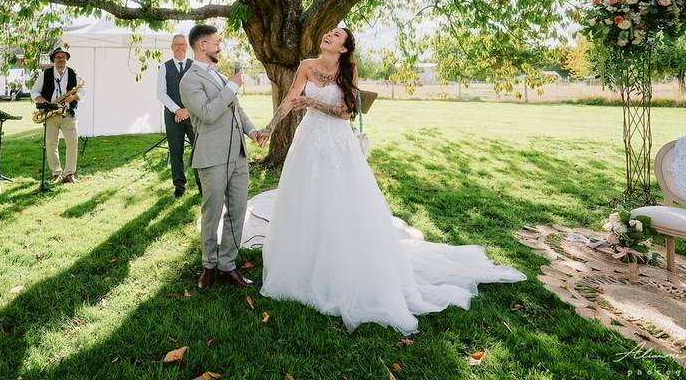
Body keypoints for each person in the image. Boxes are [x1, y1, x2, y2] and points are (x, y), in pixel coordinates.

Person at [258, 27, 525, 334]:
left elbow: (346, 113)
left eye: (335, 36)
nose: (328, 36)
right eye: (328, 33)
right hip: (308, 143)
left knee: (339, 202)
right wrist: (270, 127)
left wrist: (312, 103)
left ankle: (340, 264)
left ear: (344, 49)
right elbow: (291, 100)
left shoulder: (350, 70)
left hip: (338, 144)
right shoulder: (306, 65)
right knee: (306, 201)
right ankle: (303, 265)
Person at [179, 24, 267, 291]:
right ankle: (209, 265)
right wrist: (232, 85)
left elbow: (236, 109)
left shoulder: (219, 76)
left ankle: (228, 265)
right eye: (217, 42)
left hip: (238, 154)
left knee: (238, 211)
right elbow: (207, 112)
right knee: (212, 212)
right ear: (202, 45)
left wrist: (252, 132)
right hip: (212, 156)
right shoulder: (189, 80)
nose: (220, 46)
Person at [31, 47, 82, 184]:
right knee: (51, 144)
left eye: (63, 57)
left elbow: (83, 91)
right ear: (53, 59)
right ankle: (56, 173)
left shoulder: (73, 73)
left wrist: (74, 97)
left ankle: (69, 173)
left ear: (66, 59)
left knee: (73, 142)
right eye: (58, 57)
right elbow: (34, 93)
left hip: (68, 113)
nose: (61, 59)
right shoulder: (45, 74)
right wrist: (46, 102)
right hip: (51, 113)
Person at [156, 34, 196, 198]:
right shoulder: (164, 67)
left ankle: (202, 184)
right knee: (175, 150)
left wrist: (187, 110)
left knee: (199, 149)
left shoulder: (195, 66)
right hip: (172, 116)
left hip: (193, 114)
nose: (180, 47)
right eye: (176, 44)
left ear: (187, 47)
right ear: (172, 47)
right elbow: (161, 93)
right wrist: (177, 110)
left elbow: (197, 91)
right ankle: (179, 185)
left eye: (183, 44)